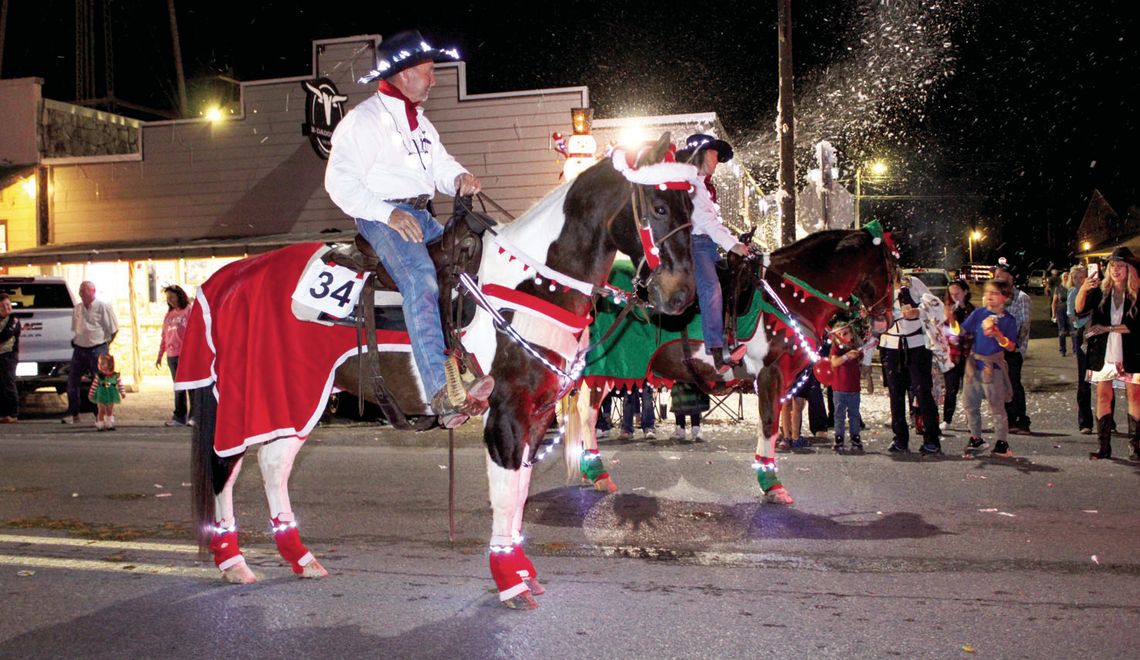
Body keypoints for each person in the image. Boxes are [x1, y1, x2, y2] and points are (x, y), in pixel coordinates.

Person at [324, 30, 493, 429]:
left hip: (421, 214)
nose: (433, 79)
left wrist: (459, 179)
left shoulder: (421, 124)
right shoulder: (361, 121)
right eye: (428, 71)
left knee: (469, 266)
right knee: (421, 279)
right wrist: (386, 215)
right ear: (403, 74)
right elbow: (340, 182)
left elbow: (440, 165)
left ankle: (464, 367)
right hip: (382, 216)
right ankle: (440, 392)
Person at [675, 134, 754, 374]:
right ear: (700, 153)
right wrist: (733, 245)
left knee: (733, 283)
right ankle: (717, 351)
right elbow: (706, 222)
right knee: (712, 288)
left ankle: (730, 338)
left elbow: (712, 224)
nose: (717, 160)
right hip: (696, 246)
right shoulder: (690, 185)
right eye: (714, 154)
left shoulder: (700, 185)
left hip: (708, 247)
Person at [1074, 247, 1140, 461]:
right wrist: (1084, 288)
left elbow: (1134, 325)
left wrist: (1107, 328)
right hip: (1103, 351)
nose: (1116, 270)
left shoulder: (1137, 293)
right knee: (1103, 395)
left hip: (1131, 350)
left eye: (1121, 266)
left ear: (1130, 269)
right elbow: (1079, 309)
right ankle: (1104, 447)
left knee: (1135, 396)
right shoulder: (1102, 291)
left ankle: (1135, 446)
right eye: (1112, 266)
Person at [879, 274, 942, 454]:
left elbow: (936, 305)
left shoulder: (911, 282)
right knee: (895, 393)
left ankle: (931, 438)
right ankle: (900, 437)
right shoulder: (880, 286)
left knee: (922, 392)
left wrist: (918, 312)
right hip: (890, 346)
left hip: (916, 346)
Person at [960, 279, 1019, 457]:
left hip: (993, 366)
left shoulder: (1008, 320)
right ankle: (976, 438)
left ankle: (1002, 442)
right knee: (970, 404)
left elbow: (1011, 347)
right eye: (987, 292)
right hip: (974, 363)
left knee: (996, 406)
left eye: (994, 293)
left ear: (1004, 297)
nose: (989, 297)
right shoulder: (979, 313)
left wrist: (997, 334)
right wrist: (948, 326)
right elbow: (962, 331)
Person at [63, 281, 119, 424]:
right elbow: (75, 329)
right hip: (80, 349)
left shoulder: (103, 307)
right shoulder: (78, 308)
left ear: (93, 291)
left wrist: (105, 345)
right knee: (72, 382)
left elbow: (113, 329)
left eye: (84, 290)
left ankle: (101, 415)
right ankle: (73, 413)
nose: (81, 293)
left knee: (102, 382)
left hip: (98, 348)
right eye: (80, 291)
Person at [992, 258, 1032, 433]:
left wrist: (1015, 347)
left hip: (1012, 348)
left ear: (1010, 277)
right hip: (998, 348)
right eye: (995, 274)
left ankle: (1021, 419)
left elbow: (1024, 324)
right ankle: (1008, 419)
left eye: (1000, 273)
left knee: (1014, 382)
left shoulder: (1021, 298)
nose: (996, 276)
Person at [156, 285, 193, 426]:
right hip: (172, 355)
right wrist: (160, 354)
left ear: (179, 295)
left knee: (191, 385)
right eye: (168, 298)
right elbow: (164, 336)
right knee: (178, 387)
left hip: (186, 354)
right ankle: (179, 416)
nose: (170, 300)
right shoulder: (169, 315)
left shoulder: (189, 311)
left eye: (172, 296)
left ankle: (194, 416)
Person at [941, 279, 975, 430]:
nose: (955, 296)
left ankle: (971, 420)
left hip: (968, 355)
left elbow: (966, 331)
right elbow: (946, 331)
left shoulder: (971, 310)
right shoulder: (947, 309)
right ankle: (947, 419)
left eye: (958, 293)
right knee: (951, 389)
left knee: (969, 390)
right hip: (952, 356)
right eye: (952, 294)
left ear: (965, 292)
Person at [829, 320, 865, 452]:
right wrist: (846, 356)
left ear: (851, 335)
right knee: (839, 415)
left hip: (854, 389)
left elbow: (862, 356)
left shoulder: (855, 349)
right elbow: (834, 363)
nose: (843, 337)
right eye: (840, 335)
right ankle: (839, 437)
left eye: (846, 334)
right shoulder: (836, 350)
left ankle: (855, 437)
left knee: (854, 415)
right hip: (839, 389)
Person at [1067, 264, 1094, 434]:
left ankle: (1108, 421)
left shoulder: (1095, 291)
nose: (1078, 280)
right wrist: (1086, 322)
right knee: (1083, 378)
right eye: (1075, 277)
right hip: (1082, 333)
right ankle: (1085, 421)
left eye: (1081, 277)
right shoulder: (1072, 293)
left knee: (1105, 378)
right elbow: (1073, 316)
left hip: (1097, 334)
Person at [88, 353, 126, 431]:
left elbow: (120, 384)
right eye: (99, 364)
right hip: (101, 394)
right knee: (101, 409)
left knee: (109, 409)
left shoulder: (115, 375)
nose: (101, 365)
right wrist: (91, 393)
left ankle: (109, 424)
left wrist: (122, 392)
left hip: (111, 394)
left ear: (110, 364)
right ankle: (100, 424)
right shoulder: (99, 376)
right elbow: (94, 385)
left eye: (103, 363)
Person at [0, 292, 21, 423]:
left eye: (8, 304)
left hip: (8, 356)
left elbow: (4, 336)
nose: (6, 308)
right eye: (2, 306)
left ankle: (12, 413)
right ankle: (2, 413)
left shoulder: (14, 320)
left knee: (8, 384)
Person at [1052, 270, 1072, 357]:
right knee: (1062, 331)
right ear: (1062, 278)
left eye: (1067, 277)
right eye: (1064, 277)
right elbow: (1054, 302)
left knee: (1073, 331)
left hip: (1071, 311)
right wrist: (1053, 313)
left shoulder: (1072, 288)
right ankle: (1062, 350)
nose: (1066, 278)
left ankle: (1075, 350)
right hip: (1061, 311)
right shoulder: (1058, 288)